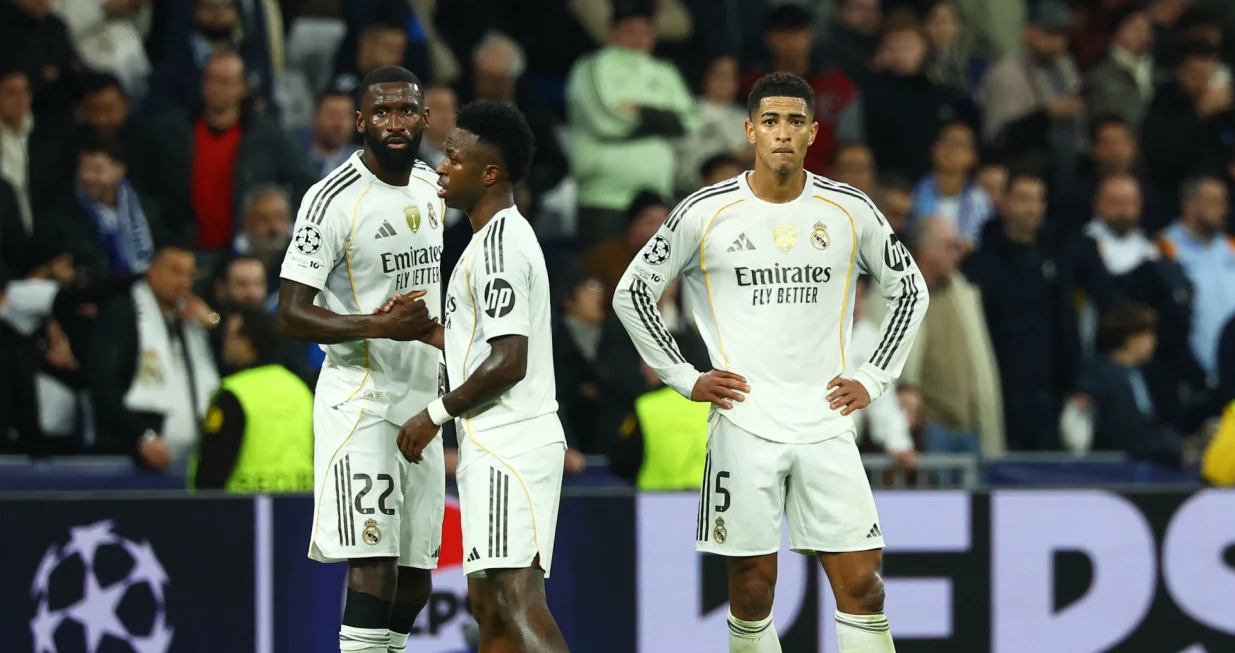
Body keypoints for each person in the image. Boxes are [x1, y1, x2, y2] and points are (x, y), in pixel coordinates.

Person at [612, 72, 928, 653]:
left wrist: (873, 376)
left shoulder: (849, 209)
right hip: (744, 423)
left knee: (865, 585)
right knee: (754, 589)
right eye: (771, 121)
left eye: (795, 121)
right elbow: (631, 293)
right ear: (750, 130)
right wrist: (685, 377)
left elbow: (911, 290)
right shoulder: (704, 211)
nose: (783, 132)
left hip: (826, 421)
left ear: (814, 132)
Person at [276, 65, 445, 653]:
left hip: (423, 400)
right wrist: (379, 325)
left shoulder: (432, 186)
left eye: (406, 111)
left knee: (416, 578)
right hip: (361, 397)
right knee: (374, 562)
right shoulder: (330, 199)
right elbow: (290, 312)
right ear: (360, 122)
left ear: (425, 119)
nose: (395, 123)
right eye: (382, 112)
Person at [391, 100, 570, 653]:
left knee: (516, 598)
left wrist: (433, 415)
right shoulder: (486, 243)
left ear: (490, 173)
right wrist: (431, 332)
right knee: (488, 606)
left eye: (453, 157)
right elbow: (485, 348)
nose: (441, 166)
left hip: (511, 443)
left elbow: (510, 360)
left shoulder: (499, 247)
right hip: (491, 442)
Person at [190, 307, 313, 492]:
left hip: (242, 504)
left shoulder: (233, 393)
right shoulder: (300, 389)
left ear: (247, 345)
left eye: (231, 336)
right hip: (298, 502)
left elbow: (212, 467)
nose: (225, 342)